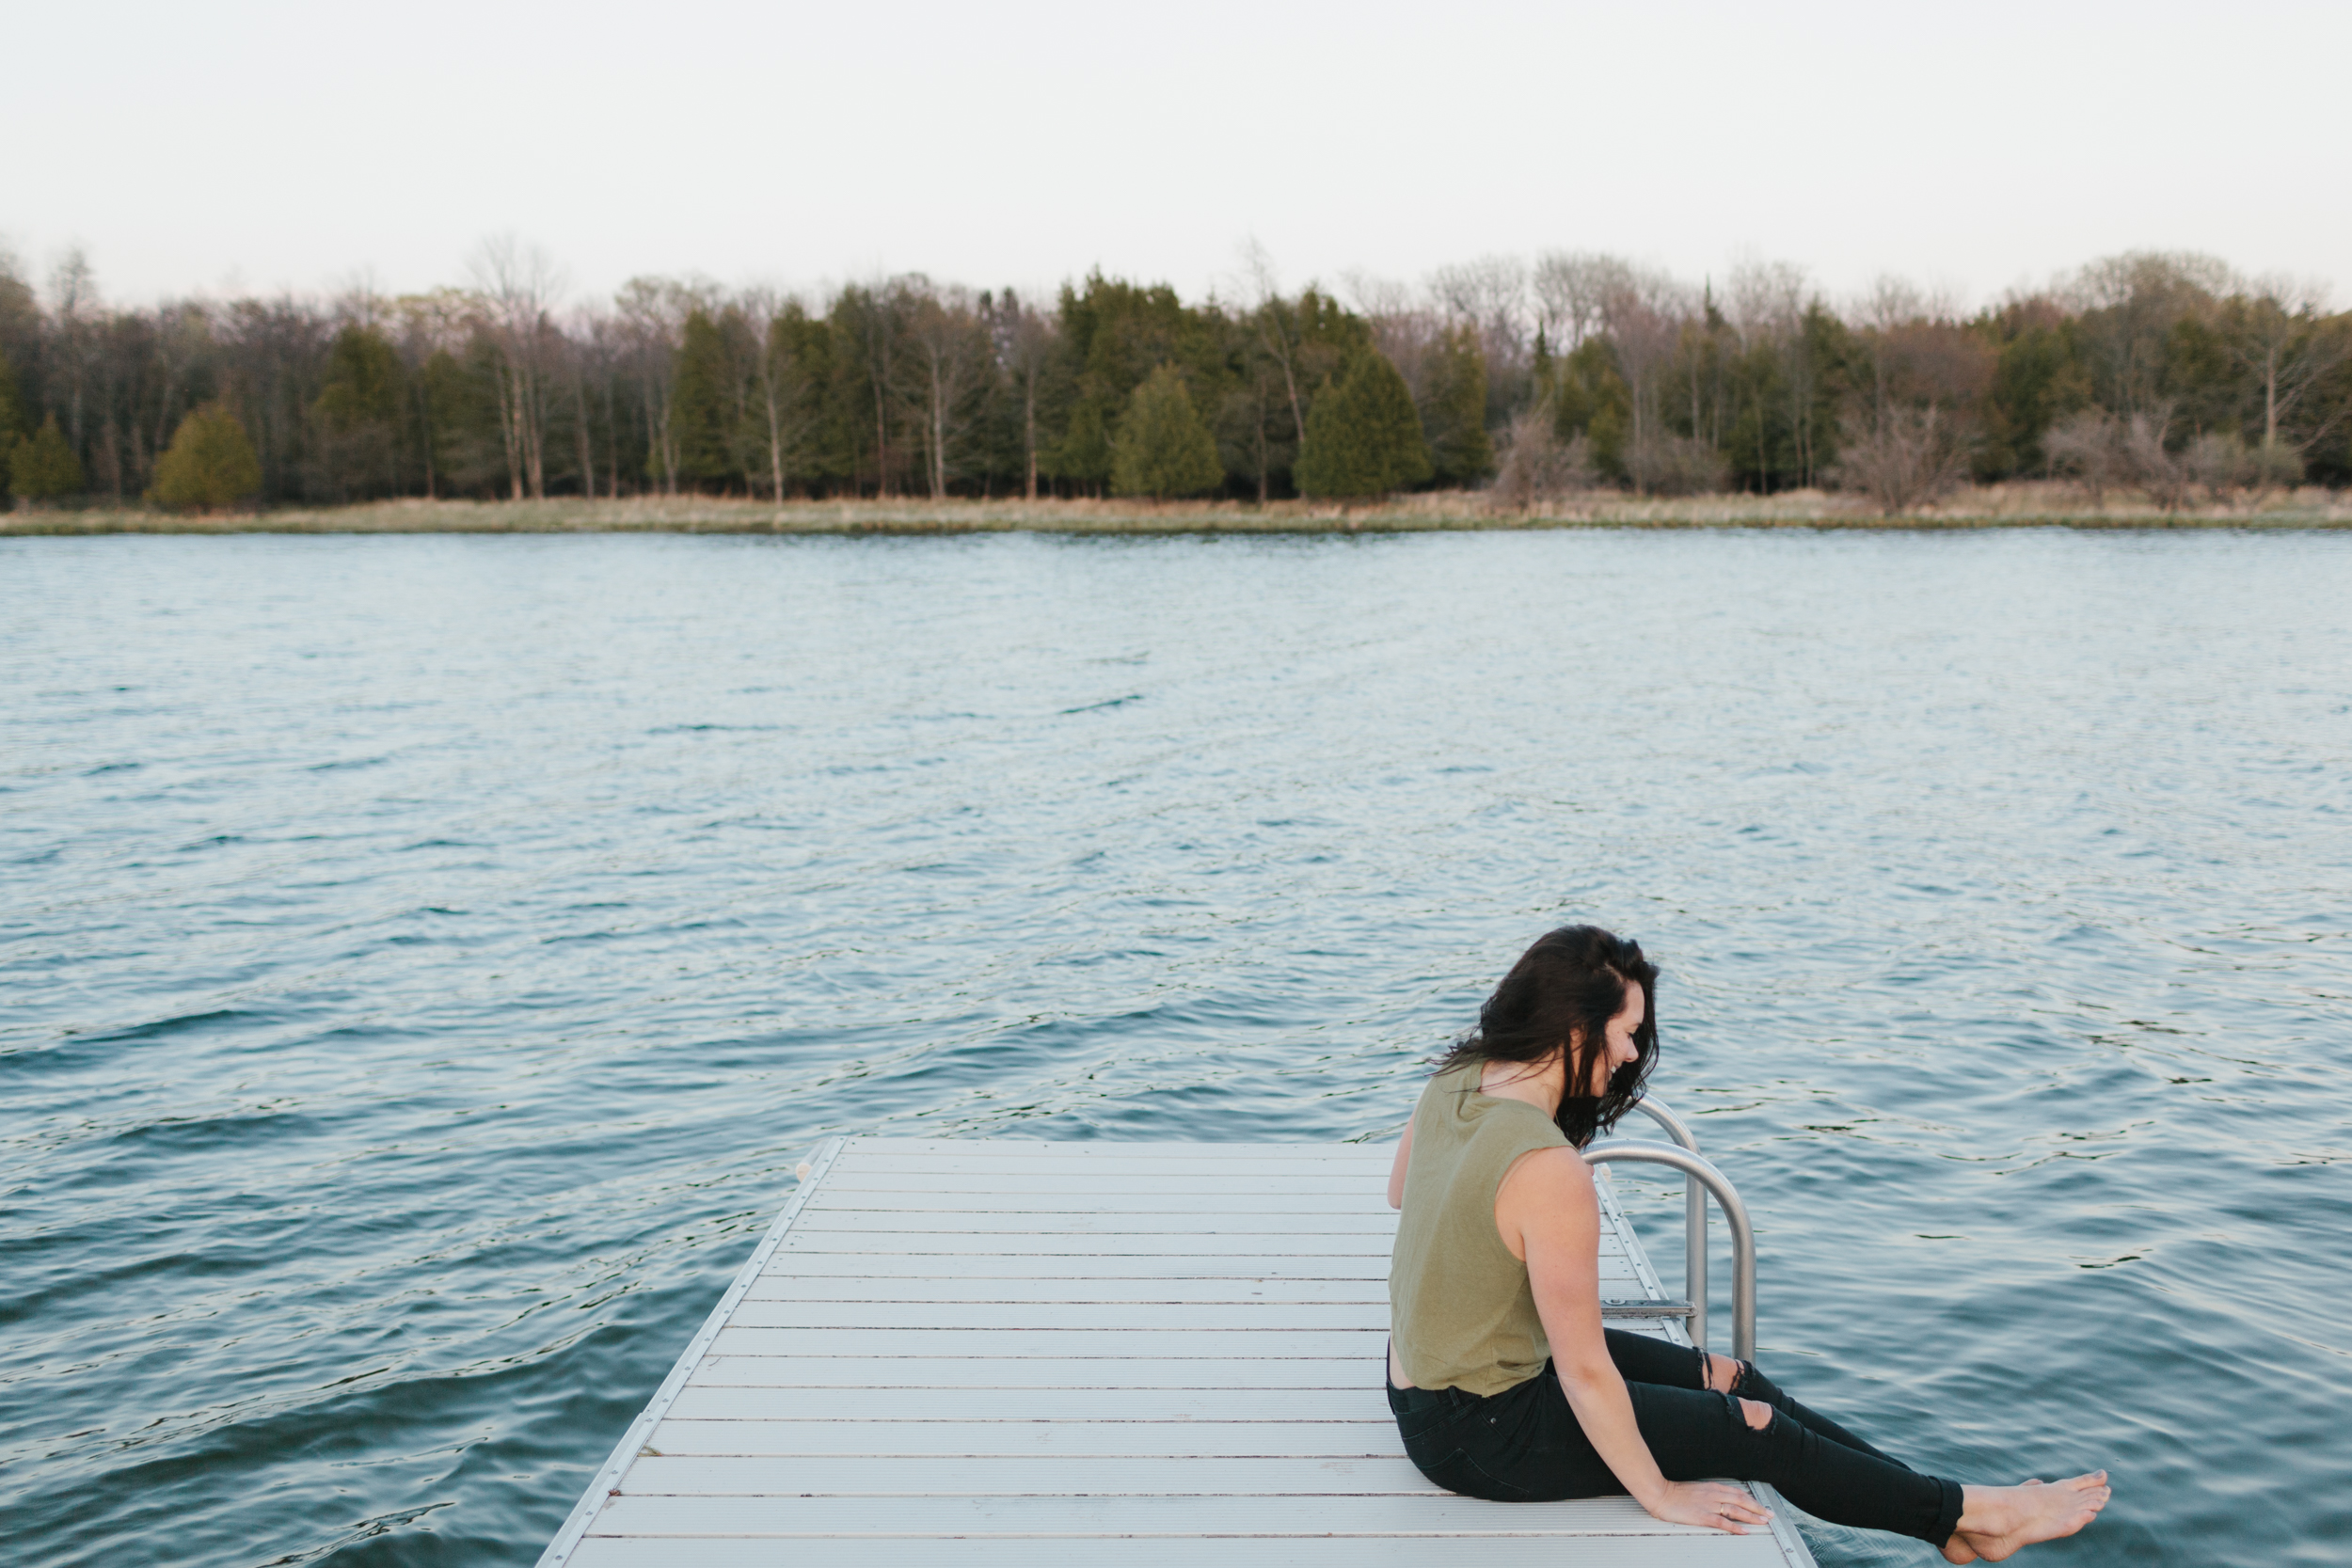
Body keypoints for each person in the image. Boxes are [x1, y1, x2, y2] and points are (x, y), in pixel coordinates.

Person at [1385, 925, 2108, 1562]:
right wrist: (1662, 1493)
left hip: (1442, 1385)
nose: (1633, 1052)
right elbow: (1585, 1372)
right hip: (1480, 1431)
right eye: (1627, 1032)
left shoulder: (1458, 1077)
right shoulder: (1549, 1168)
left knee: (1735, 1379)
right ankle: (1974, 1513)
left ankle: (1949, 1518)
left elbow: (1401, 1191)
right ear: (1579, 1030)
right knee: (1756, 1429)